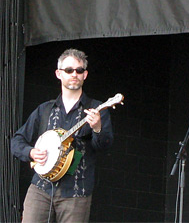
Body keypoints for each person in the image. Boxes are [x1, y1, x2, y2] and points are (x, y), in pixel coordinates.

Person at [11, 48, 114, 222]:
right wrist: (30, 152)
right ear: (59, 74)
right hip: (40, 189)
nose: (74, 74)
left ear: (85, 75)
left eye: (79, 70)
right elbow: (17, 140)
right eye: (69, 70)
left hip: (76, 192)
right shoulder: (45, 109)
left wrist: (97, 128)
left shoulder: (96, 109)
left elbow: (104, 145)